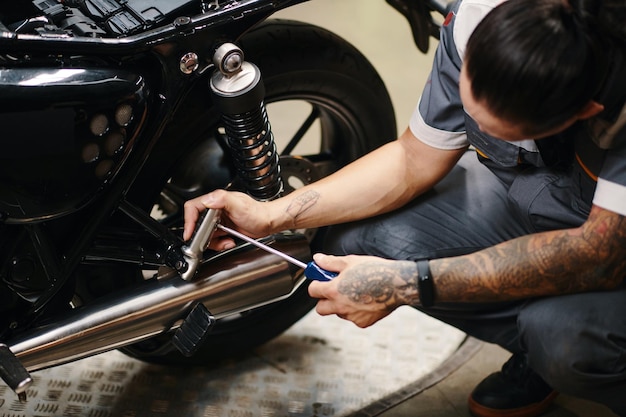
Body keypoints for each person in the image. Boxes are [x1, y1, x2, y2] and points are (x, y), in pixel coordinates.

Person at [184, 0, 626, 416]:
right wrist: (271, 214)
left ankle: (562, 353)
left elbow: (600, 255)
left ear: (584, 111)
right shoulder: (479, 16)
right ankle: (538, 353)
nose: (476, 125)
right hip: (543, 198)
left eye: (505, 128)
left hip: (610, 242)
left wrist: (408, 285)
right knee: (365, 236)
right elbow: (413, 160)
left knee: (566, 339)